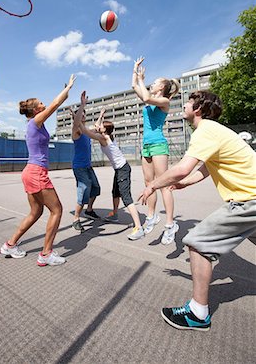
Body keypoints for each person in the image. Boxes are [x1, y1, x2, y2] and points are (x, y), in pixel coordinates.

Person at [139, 90, 256, 331]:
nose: (184, 105)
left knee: (197, 243)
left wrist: (152, 184)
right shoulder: (213, 131)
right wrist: (185, 183)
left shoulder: (205, 130)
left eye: (189, 103)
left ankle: (197, 313)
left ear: (198, 110)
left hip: (249, 200)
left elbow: (182, 168)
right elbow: (205, 168)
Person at [0, 74, 76, 266]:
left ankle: (10, 245)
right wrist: (67, 89)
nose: (43, 103)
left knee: (35, 212)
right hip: (36, 172)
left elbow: (51, 106)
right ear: (35, 109)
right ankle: (46, 254)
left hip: (30, 172)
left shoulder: (35, 125)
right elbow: (54, 105)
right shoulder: (35, 121)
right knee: (57, 210)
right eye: (40, 103)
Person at [78, 93, 145, 240]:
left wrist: (78, 119)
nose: (98, 126)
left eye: (101, 126)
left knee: (126, 197)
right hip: (120, 169)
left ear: (105, 130)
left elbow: (87, 131)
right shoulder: (107, 136)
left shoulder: (104, 138)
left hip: (122, 169)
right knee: (115, 192)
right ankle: (115, 214)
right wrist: (101, 115)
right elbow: (96, 126)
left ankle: (139, 227)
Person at [132, 56, 180, 244]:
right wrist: (135, 70)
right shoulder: (151, 100)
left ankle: (170, 224)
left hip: (159, 145)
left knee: (164, 185)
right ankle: (151, 216)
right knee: (148, 183)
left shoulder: (164, 102)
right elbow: (134, 86)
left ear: (162, 88)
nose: (151, 84)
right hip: (146, 146)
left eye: (155, 83)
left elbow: (144, 95)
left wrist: (142, 81)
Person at [71, 91, 101, 233]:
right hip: (79, 167)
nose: (83, 115)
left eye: (84, 114)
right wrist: (82, 105)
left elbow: (97, 127)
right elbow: (77, 122)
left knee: (95, 188)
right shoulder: (76, 131)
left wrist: (101, 115)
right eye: (81, 114)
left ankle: (89, 210)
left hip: (88, 167)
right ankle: (76, 218)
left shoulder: (87, 131)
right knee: (84, 191)